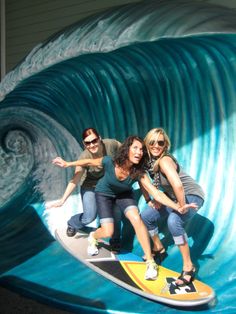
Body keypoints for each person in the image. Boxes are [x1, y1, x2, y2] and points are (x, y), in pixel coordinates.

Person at [52, 135, 197, 281]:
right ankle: (93, 237)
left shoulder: (139, 172)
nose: (139, 152)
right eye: (135, 148)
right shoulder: (110, 162)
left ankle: (150, 261)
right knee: (108, 231)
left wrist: (178, 207)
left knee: (136, 219)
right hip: (104, 194)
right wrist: (68, 164)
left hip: (123, 194)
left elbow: (156, 194)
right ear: (127, 149)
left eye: (141, 149)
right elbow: (89, 161)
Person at [141, 128, 205, 286]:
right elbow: (142, 181)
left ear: (165, 145)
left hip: (192, 196)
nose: (156, 145)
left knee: (173, 221)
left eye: (160, 143)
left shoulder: (164, 160)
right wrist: (149, 199)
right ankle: (159, 248)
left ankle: (189, 267)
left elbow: (178, 185)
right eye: (152, 142)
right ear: (147, 143)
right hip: (174, 197)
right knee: (147, 216)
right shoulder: (148, 162)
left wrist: (181, 207)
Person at [48, 127, 126, 250]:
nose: (92, 145)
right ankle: (73, 223)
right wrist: (63, 200)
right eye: (88, 143)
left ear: (99, 138)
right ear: (84, 144)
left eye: (94, 141)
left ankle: (115, 239)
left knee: (115, 210)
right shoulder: (84, 157)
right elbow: (75, 179)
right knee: (89, 216)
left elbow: (126, 151)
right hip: (90, 186)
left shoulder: (110, 144)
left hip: (107, 185)